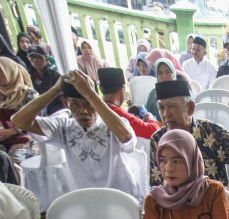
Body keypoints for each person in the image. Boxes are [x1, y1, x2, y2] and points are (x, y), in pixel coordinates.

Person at [12, 69, 142, 199]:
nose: (83, 111)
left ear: (96, 101)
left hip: (124, 198)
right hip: (86, 202)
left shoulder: (114, 124)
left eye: (88, 103)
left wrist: (90, 93)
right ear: (65, 103)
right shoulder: (62, 127)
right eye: (75, 104)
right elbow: (19, 121)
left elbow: (126, 136)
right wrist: (56, 89)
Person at [149, 79, 229, 188]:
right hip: (174, 207)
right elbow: (156, 185)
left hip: (214, 204)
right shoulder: (158, 139)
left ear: (190, 108)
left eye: (171, 106)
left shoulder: (211, 133)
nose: (166, 114)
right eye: (161, 108)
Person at [0, 57, 38, 161]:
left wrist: (12, 131)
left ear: (9, 71)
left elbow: (37, 122)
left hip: (25, 140)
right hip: (0, 141)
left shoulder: (29, 94)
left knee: (17, 160)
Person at [98, 67, 160, 140]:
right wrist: (150, 118)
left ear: (101, 89)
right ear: (122, 89)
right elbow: (154, 131)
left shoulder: (96, 108)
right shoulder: (116, 113)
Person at [26, 44, 63, 115]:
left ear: (45, 58)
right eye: (32, 58)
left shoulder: (55, 76)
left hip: (55, 110)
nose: (36, 60)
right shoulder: (27, 77)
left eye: (39, 57)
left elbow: (60, 97)